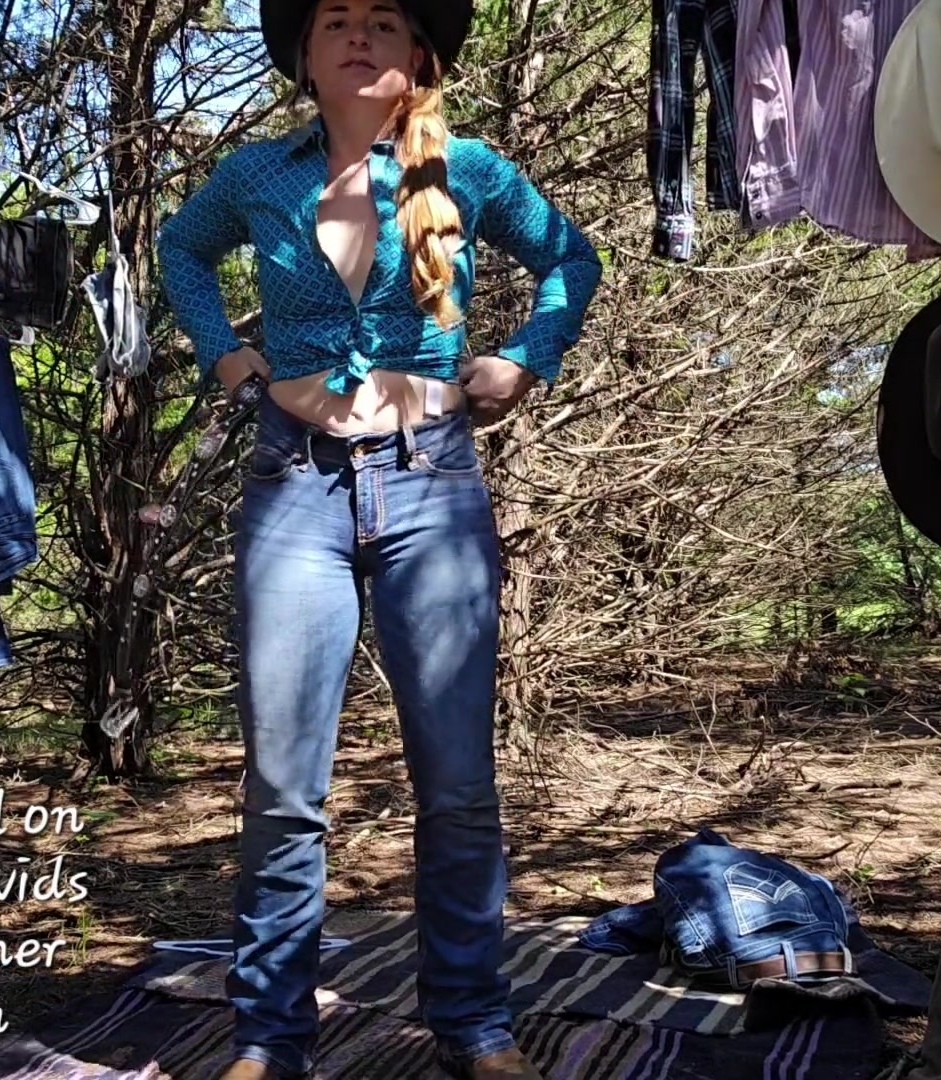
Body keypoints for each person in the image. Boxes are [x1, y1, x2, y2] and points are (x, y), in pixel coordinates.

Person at [155, 0, 601, 1075]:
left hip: (431, 488)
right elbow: (181, 250)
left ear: (418, 57)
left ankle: (475, 1026)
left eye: (385, 22)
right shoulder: (256, 176)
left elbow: (571, 260)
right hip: (292, 490)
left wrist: (526, 358)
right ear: (304, 56)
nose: (359, 36)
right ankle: (270, 1039)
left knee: (457, 783)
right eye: (337, 21)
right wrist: (227, 357)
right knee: (283, 789)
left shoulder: (468, 171)